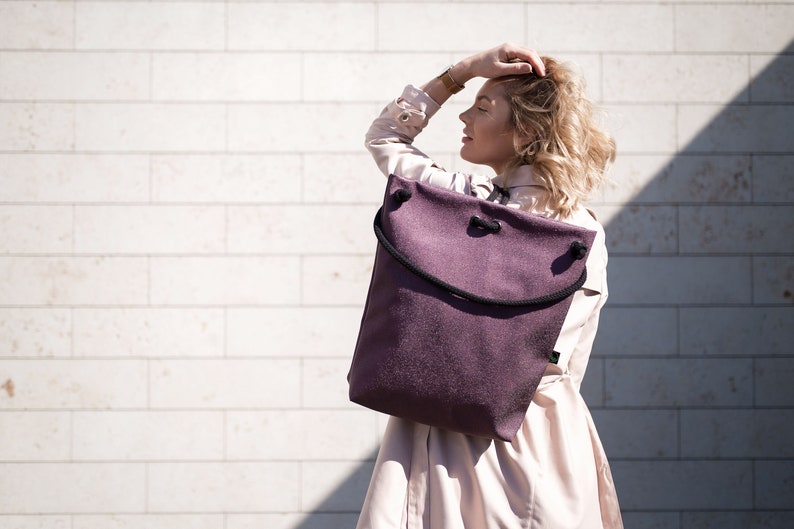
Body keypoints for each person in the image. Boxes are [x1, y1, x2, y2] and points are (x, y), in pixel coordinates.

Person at [356, 43, 623, 529]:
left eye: (481, 107)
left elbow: (387, 137)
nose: (464, 115)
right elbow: (563, 362)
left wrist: (459, 73)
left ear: (525, 132)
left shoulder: (459, 203)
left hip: (452, 424)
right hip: (537, 433)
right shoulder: (580, 232)